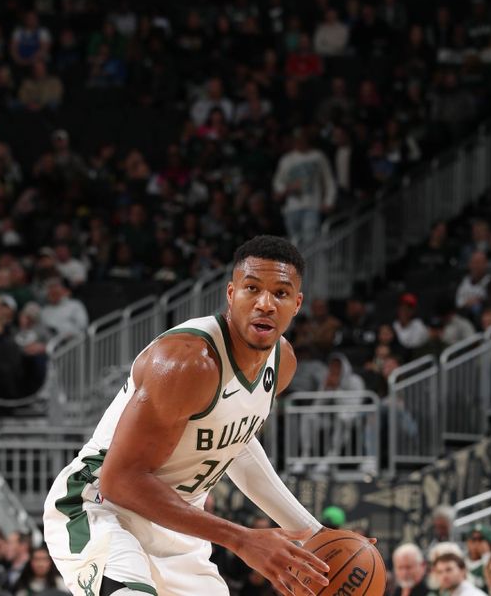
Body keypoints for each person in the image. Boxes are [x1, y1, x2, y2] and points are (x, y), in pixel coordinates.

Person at [44, 236, 333, 595]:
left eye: (280, 293)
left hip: (177, 524)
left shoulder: (282, 363)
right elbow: (119, 481)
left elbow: (236, 445)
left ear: (297, 304)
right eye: (252, 289)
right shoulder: (187, 362)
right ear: (231, 294)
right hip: (101, 508)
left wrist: (313, 533)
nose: (265, 304)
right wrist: (242, 540)